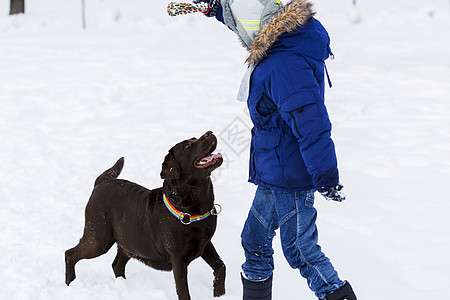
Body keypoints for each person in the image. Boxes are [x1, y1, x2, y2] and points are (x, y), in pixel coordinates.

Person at [193, 0, 357, 299]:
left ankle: (337, 294)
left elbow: (312, 123)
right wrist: (215, 10)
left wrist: (325, 176)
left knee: (301, 252)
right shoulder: (283, 41)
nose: (241, 30)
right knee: (254, 241)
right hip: (274, 171)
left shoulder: (283, 65)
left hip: (291, 177)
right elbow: (245, 21)